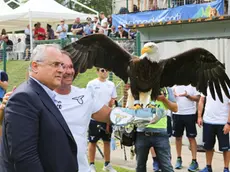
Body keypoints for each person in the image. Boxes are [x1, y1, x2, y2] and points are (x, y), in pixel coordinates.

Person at [0, 44, 78, 172]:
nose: (61, 70)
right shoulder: (24, 98)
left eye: (62, 65)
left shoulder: (40, 95)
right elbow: (25, 158)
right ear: (35, 66)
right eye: (55, 64)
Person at [54, 52, 112, 172]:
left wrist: (136, 115)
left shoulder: (84, 95)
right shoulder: (40, 96)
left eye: (71, 67)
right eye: (64, 67)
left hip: (81, 168)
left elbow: (111, 115)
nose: (69, 71)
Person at [133, 87, 178, 172]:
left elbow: (175, 108)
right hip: (142, 132)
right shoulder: (140, 85)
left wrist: (164, 99)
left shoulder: (166, 89)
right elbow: (130, 105)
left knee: (167, 167)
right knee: (140, 166)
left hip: (161, 133)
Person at [87, 68, 117, 172]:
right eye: (103, 70)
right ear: (97, 71)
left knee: (107, 141)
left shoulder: (111, 84)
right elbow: (88, 99)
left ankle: (107, 164)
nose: (105, 72)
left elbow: (114, 98)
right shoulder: (91, 84)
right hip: (94, 117)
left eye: (107, 70)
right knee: (93, 141)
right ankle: (91, 164)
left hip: (107, 117)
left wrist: (112, 103)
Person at [197, 87, 230, 172]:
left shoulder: (228, 87)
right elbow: (201, 100)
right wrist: (199, 116)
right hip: (208, 121)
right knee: (208, 146)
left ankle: (226, 168)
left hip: (222, 123)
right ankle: (208, 167)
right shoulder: (206, 86)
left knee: (225, 148)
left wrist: (228, 123)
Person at [172, 85, 200, 171]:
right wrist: (172, 96)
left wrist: (187, 95)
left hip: (189, 114)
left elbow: (198, 98)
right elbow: (169, 98)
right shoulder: (174, 85)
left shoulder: (192, 84)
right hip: (177, 114)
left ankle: (194, 161)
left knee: (191, 138)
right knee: (178, 138)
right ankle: (179, 158)